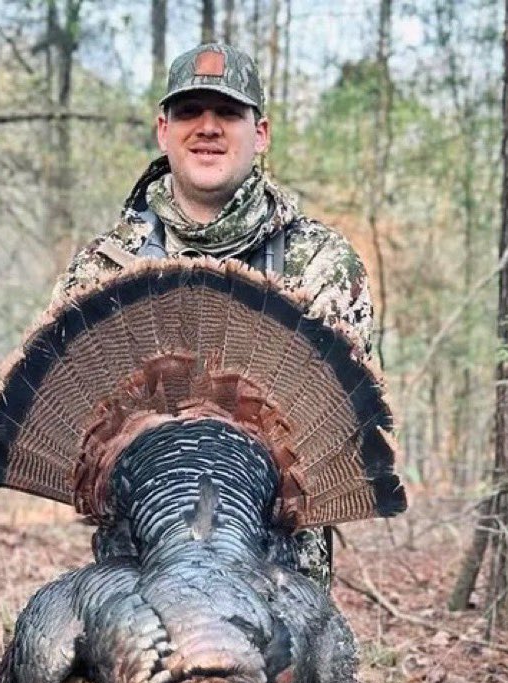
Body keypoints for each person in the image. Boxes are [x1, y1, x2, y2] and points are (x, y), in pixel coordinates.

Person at [51, 42, 381, 589]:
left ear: (262, 133)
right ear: (163, 129)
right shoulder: (105, 265)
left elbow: (337, 448)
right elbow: (69, 442)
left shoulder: (321, 263)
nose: (208, 127)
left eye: (228, 112)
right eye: (189, 112)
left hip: (280, 587)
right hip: (138, 581)